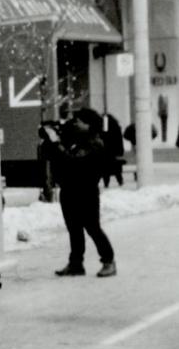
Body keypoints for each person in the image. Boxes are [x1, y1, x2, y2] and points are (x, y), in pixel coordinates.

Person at [40, 110, 116, 278]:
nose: (75, 123)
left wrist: (56, 144)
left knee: (92, 227)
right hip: (69, 189)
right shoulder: (74, 140)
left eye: (79, 121)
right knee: (74, 229)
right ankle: (76, 264)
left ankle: (108, 261)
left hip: (86, 191)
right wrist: (51, 142)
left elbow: (74, 163)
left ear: (89, 124)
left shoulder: (94, 143)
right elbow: (57, 158)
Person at [102, 111, 125, 187]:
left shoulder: (104, 127)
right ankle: (120, 181)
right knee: (116, 169)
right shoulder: (116, 127)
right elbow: (119, 140)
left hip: (106, 152)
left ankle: (106, 183)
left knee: (105, 170)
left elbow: (103, 136)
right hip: (114, 152)